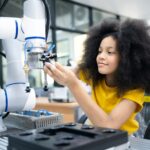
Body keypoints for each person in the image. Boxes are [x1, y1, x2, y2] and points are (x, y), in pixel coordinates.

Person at [44, 18, 150, 135]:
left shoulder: (134, 90)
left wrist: (73, 84)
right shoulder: (95, 76)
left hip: (124, 140)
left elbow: (109, 125)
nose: (101, 56)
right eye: (99, 51)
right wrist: (48, 61)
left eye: (109, 52)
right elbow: (68, 72)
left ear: (127, 58)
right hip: (97, 135)